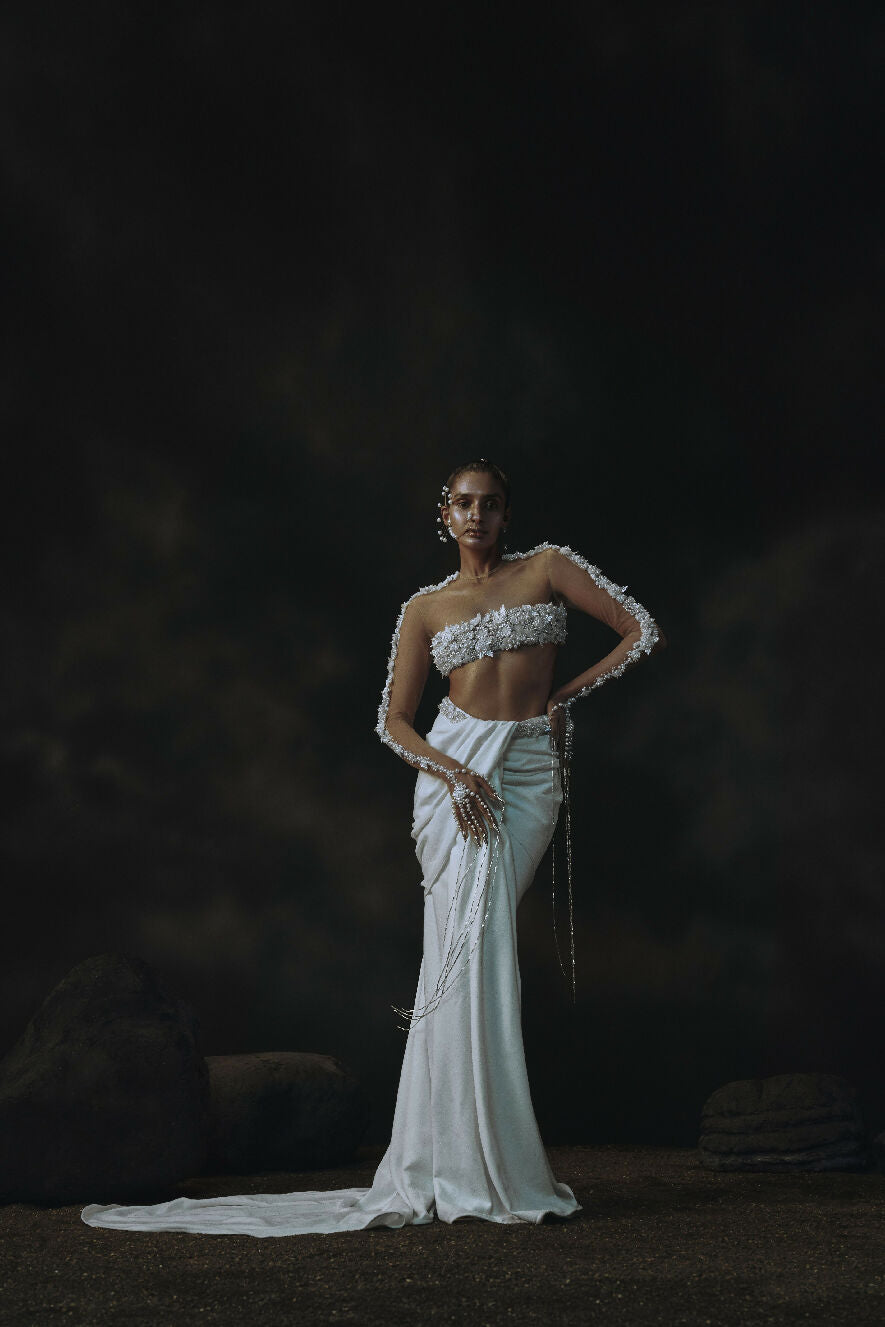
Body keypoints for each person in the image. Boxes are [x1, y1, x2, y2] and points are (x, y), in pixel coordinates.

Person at [82, 458, 664, 1236]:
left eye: (490, 504)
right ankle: (456, 1158)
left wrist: (561, 698)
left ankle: (485, 1156)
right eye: (463, 503)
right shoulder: (425, 609)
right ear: (444, 514)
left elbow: (639, 629)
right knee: (465, 950)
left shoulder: (548, 567)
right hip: (456, 776)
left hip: (524, 775)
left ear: (506, 514)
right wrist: (451, 770)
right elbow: (393, 720)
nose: (477, 515)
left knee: (479, 945)